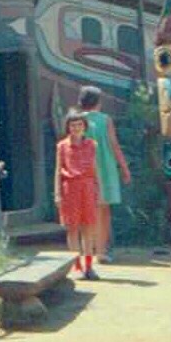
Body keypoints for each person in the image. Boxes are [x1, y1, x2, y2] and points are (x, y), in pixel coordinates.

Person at [78, 86, 130, 264]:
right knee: (104, 210)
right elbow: (114, 145)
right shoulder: (106, 120)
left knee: (87, 210)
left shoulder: (77, 120)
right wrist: (124, 168)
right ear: (98, 102)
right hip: (105, 167)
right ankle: (101, 251)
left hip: (84, 169)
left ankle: (87, 250)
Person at [56, 109, 101, 281]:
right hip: (70, 188)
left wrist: (99, 188)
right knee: (72, 228)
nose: (76, 128)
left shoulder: (92, 144)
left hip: (88, 187)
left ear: (85, 127)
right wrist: (58, 194)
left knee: (88, 228)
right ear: (68, 127)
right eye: (73, 125)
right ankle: (76, 266)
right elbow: (58, 170)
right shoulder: (62, 146)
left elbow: (95, 167)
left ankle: (89, 266)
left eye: (79, 125)